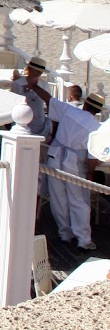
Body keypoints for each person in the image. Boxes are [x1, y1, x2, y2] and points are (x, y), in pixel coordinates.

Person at [46, 95, 100, 249]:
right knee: (79, 201)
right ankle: (83, 239)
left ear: (85, 105)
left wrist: (34, 85)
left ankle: (65, 233)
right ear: (97, 111)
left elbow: (49, 100)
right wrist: (90, 173)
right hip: (74, 163)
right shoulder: (96, 127)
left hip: (55, 157)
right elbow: (93, 156)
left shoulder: (69, 110)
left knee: (58, 198)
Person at [11, 56, 51, 135]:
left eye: (40, 71)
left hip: (40, 122)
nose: (39, 73)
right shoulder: (18, 84)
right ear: (30, 69)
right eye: (37, 71)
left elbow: (48, 101)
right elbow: (13, 103)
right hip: (22, 122)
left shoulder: (44, 85)